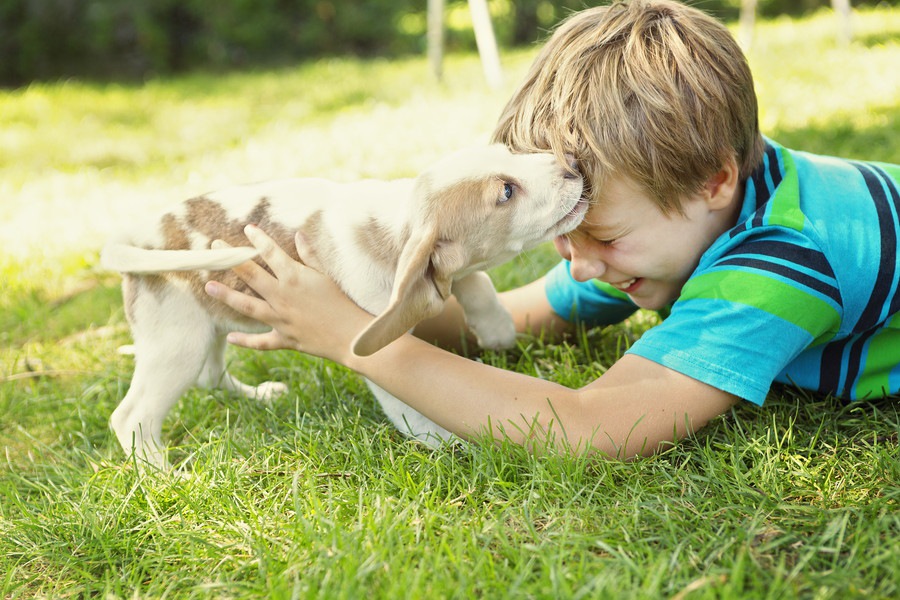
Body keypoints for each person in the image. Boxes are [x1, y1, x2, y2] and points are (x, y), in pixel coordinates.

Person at [204, 0, 900, 459]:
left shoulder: (780, 263)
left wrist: (358, 350)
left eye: (600, 235)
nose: (581, 263)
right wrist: (360, 298)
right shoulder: (670, 216)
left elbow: (594, 427)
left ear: (714, 180)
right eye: (566, 233)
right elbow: (509, 320)